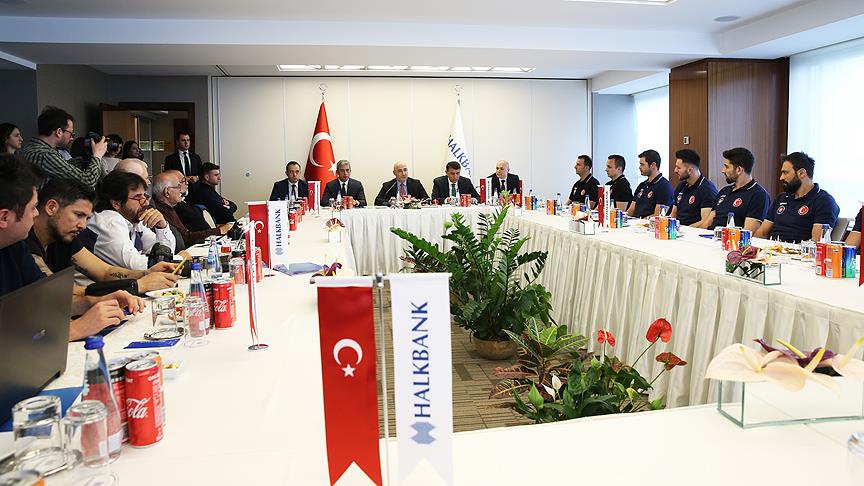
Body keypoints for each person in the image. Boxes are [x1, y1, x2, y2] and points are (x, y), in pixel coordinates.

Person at [0, 154, 138, 341]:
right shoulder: (25, 243)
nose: (36, 214)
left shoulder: (14, 246)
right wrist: (74, 329)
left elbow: (47, 299)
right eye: (32, 208)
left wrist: (93, 302)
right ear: (4, 217)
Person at [27, 178, 178, 293]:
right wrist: (137, 285)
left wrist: (147, 273)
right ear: (51, 207)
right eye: (78, 215)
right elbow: (54, 293)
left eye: (86, 218)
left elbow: (105, 272)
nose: (83, 225)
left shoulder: (65, 237)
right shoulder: (26, 244)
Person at [82, 171, 177, 270]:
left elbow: (166, 253)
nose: (145, 203)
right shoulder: (110, 221)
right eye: (138, 198)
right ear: (116, 203)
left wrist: (161, 227)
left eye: (145, 196)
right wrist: (167, 260)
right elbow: (135, 266)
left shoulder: (134, 220)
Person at [755, 152, 839, 242]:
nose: (781, 178)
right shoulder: (781, 198)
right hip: (770, 248)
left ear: (802, 173)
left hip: (797, 250)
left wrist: (786, 249)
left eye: (785, 173)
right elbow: (762, 233)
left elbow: (817, 241)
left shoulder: (824, 201)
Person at [18, 106, 106, 188]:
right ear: (59, 132)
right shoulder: (44, 155)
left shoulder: (32, 148)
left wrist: (87, 159)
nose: (72, 138)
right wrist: (97, 156)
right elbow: (87, 181)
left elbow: (64, 166)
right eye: (71, 133)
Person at [695, 148, 770, 231]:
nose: (723, 170)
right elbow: (707, 223)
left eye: (726, 167)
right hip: (709, 235)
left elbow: (749, 231)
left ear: (739, 170)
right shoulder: (724, 191)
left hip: (731, 238)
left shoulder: (759, 195)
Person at [152, 171, 231, 246]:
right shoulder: (160, 212)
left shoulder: (169, 207)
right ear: (167, 192)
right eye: (178, 187)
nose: (181, 190)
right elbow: (186, 238)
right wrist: (220, 230)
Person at [669, 149, 718, 227]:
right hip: (677, 230)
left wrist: (684, 230)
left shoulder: (707, 189)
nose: (675, 170)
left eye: (678, 168)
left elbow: (705, 223)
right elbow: (673, 215)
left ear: (690, 170)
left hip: (694, 232)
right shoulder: (681, 186)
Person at [627, 149, 674, 218]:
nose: (639, 167)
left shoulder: (664, 186)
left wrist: (640, 222)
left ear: (653, 165)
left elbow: (658, 216)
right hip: (635, 222)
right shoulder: (642, 185)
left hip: (649, 223)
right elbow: (630, 211)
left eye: (642, 164)